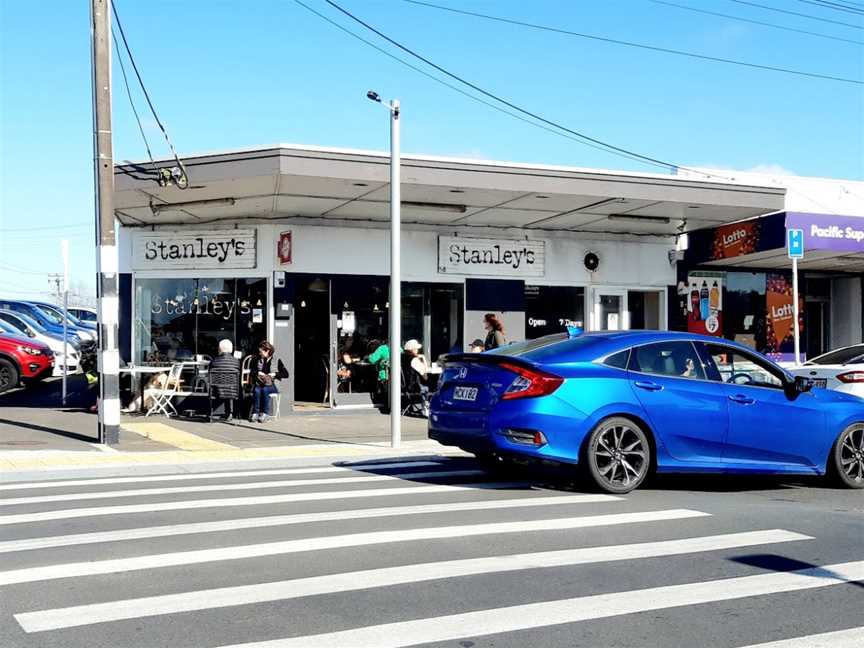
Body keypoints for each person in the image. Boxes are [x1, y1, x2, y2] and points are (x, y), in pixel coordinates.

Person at [209, 339, 241, 421]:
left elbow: (209, 373)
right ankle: (230, 413)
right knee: (229, 386)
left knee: (217, 385)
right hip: (233, 391)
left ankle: (210, 413)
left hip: (216, 392)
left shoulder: (214, 361)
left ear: (220, 349)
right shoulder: (236, 362)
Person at [250, 340, 278, 423]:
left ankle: (265, 414)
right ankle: (255, 413)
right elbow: (252, 371)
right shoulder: (258, 360)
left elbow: (285, 374)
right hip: (261, 383)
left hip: (272, 385)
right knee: (256, 390)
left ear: (267, 351)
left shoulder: (276, 360)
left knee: (265, 389)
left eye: (261, 351)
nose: (259, 353)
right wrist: (258, 372)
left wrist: (274, 374)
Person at [402, 339, 430, 417]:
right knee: (428, 385)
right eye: (416, 348)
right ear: (412, 349)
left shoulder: (402, 358)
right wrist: (423, 358)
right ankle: (426, 408)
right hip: (415, 385)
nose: (418, 350)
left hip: (406, 384)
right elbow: (424, 370)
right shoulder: (414, 360)